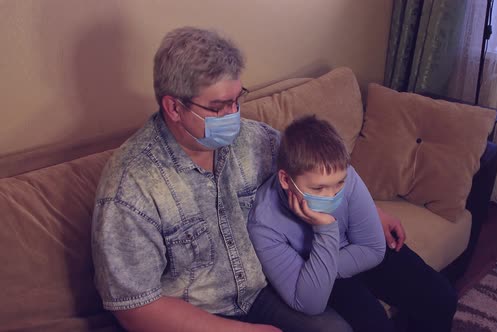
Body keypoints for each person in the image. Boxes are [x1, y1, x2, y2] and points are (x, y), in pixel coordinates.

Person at [91, 27, 354, 332]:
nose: (233, 115)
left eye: (236, 100)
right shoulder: (131, 185)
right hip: (189, 316)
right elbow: (136, 308)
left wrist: (371, 210)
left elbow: (316, 166)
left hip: (261, 293)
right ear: (174, 107)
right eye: (218, 107)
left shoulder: (255, 140)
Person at [248, 115, 458, 332]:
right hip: (324, 274)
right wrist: (325, 230)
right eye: (318, 189)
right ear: (285, 180)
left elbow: (374, 249)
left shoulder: (345, 176)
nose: (331, 196)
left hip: (325, 267)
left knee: (442, 297)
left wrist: (316, 272)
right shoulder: (264, 223)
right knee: (376, 326)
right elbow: (311, 303)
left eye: (338, 184)